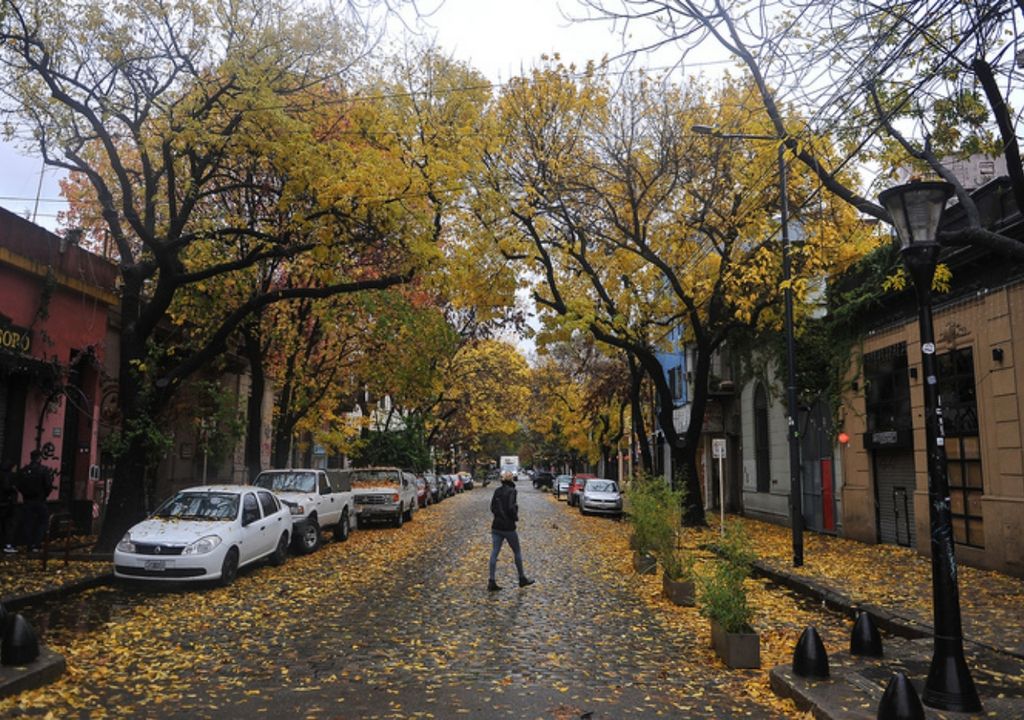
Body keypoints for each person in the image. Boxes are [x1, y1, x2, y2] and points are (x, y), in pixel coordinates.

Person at [488, 471, 534, 591]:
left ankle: (491, 580)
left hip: (496, 526)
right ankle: (522, 578)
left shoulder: (497, 491)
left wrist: (498, 516)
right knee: (517, 551)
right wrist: (514, 517)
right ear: (511, 479)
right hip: (508, 527)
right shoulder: (512, 491)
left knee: (494, 553)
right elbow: (511, 507)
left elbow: (492, 507)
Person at [16, 450, 54, 552]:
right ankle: (36, 544)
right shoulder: (43, 470)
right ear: (39, 458)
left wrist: (25, 494)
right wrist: (44, 495)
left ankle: (29, 544)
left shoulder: (24, 470)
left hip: (27, 501)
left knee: (28, 522)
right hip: (40, 500)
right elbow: (48, 486)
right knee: (42, 522)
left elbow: (19, 485)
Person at [0, 460, 19, 553]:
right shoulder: (8, 476)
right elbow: (7, 487)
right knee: (8, 525)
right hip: (7, 504)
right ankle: (7, 545)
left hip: (4, 503)